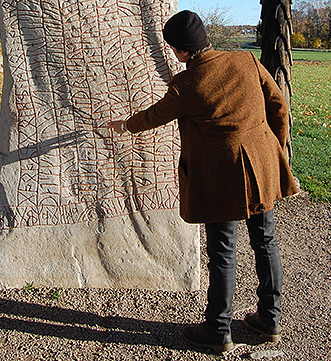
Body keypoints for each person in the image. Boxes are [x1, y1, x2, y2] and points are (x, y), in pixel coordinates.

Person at [107, 10, 299, 353]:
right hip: (262, 165)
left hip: (221, 174)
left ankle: (218, 329)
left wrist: (123, 126)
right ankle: (270, 320)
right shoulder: (246, 60)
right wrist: (277, 150)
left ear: (181, 51)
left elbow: (154, 116)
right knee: (265, 240)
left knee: (223, 251)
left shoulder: (187, 85)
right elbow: (279, 106)